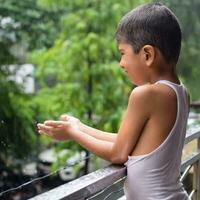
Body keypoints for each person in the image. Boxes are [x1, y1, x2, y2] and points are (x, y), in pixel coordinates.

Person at [37, 2, 191, 199]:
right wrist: (80, 126)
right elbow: (126, 142)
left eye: (122, 53)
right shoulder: (181, 93)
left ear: (147, 54)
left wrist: (73, 133)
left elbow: (118, 153)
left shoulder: (145, 95)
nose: (121, 63)